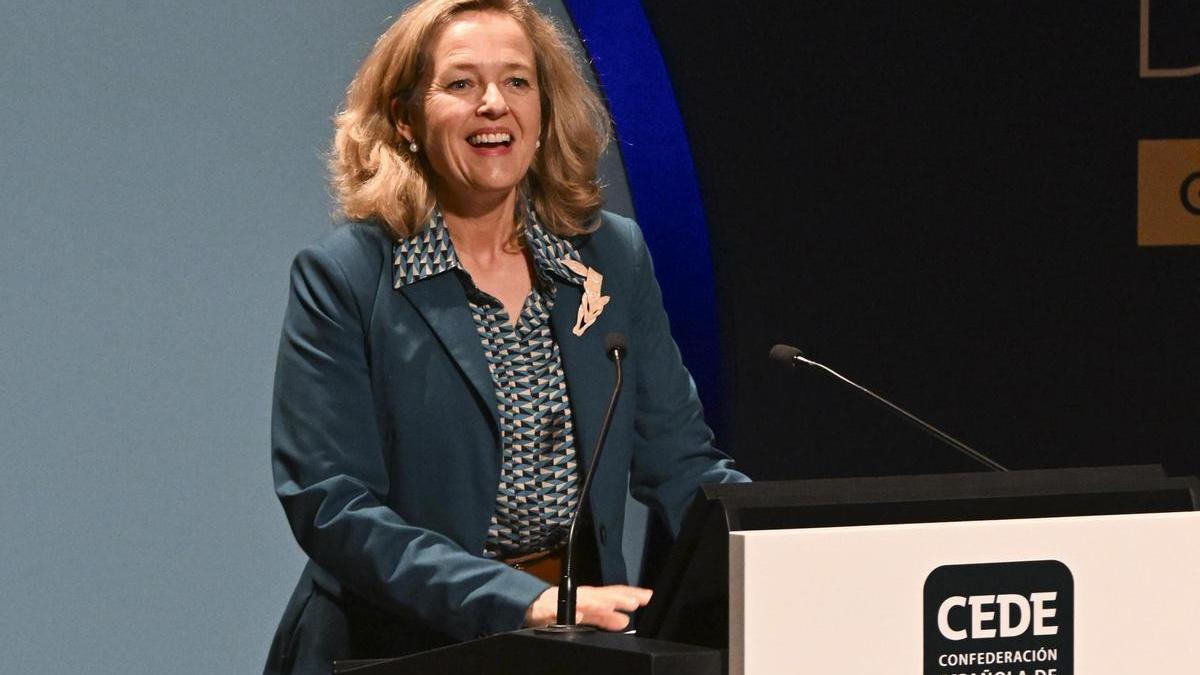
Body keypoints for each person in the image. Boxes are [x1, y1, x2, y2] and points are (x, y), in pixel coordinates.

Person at [264, 1, 748, 672]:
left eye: (518, 82)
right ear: (406, 118)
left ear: (545, 110)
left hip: (573, 645)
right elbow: (333, 506)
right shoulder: (346, 277)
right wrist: (523, 601)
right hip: (394, 645)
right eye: (461, 84)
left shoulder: (610, 256)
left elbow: (682, 460)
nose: (494, 103)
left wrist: (773, 545)